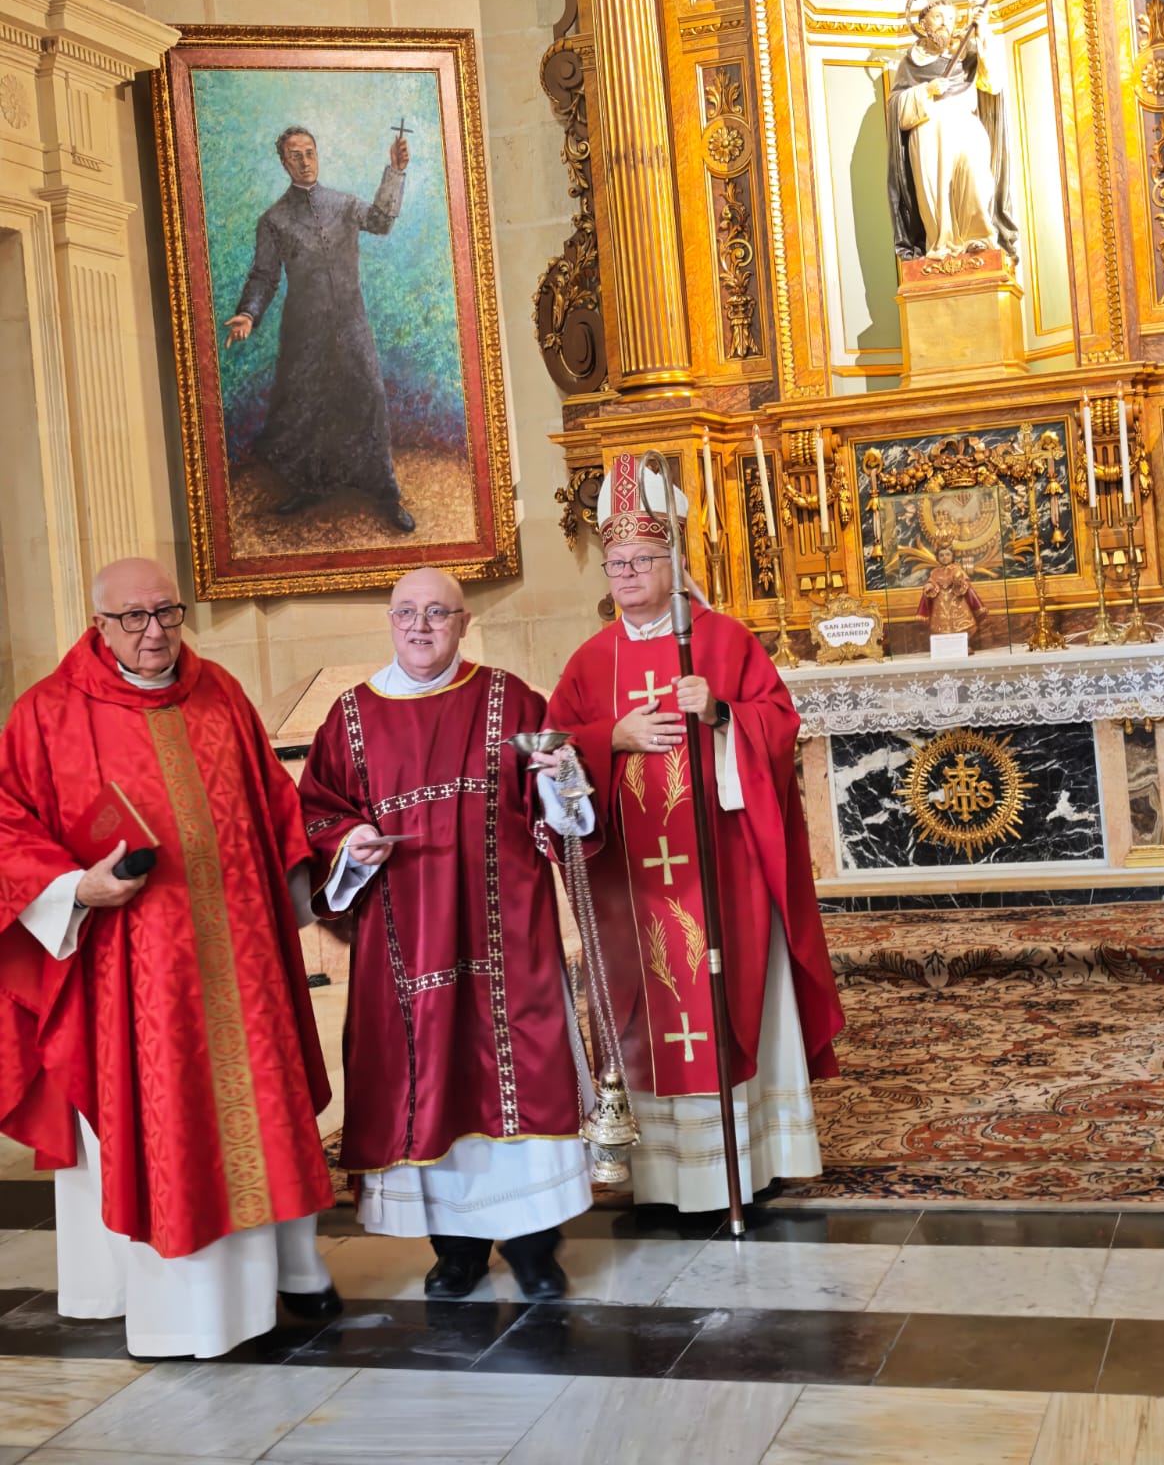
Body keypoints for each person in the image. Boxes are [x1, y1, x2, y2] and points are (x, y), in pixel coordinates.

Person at [0, 559, 337, 1359]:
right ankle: (179, 1316)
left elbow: (274, 804)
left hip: (243, 959)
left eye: (167, 612)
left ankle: (286, 1275)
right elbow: (7, 823)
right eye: (133, 617)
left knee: (262, 1105)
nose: (154, 632)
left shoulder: (219, 692)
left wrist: (321, 872)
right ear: (99, 624)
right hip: (130, 973)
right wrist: (75, 889)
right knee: (163, 1118)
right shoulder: (46, 712)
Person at [547, 453, 845, 1212]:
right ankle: (660, 1173)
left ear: (672, 562)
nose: (626, 574)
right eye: (615, 563)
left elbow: (778, 725)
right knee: (644, 1008)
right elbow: (550, 758)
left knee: (726, 1000)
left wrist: (720, 714)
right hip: (633, 888)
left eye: (641, 560)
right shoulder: (589, 662)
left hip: (721, 875)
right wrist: (609, 739)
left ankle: (747, 1161)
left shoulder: (723, 640)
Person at [299, 567, 592, 1301]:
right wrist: (351, 843)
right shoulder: (350, 716)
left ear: (463, 623)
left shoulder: (508, 699)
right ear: (389, 621)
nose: (420, 626)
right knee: (426, 1082)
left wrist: (560, 774)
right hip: (403, 946)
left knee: (518, 1076)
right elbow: (318, 813)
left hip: (507, 938)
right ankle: (455, 1251)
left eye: (437, 613)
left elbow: (558, 807)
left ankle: (534, 1250)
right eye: (406, 612)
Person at [223, 125, 417, 532]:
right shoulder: (273, 220)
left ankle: (385, 493)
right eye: (295, 155)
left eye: (309, 152)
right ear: (283, 162)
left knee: (368, 397)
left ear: (317, 154)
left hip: (351, 322)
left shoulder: (343, 204)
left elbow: (381, 221)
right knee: (308, 407)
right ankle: (312, 486)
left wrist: (395, 172)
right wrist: (249, 314)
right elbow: (263, 276)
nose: (304, 161)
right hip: (304, 330)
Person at [886, 0, 1017, 262]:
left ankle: (978, 238)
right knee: (936, 192)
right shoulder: (911, 63)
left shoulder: (967, 56)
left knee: (975, 177)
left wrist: (983, 32)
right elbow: (897, 110)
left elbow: (994, 83)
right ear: (924, 24)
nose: (945, 23)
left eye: (950, 17)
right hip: (929, 134)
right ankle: (942, 243)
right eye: (938, 17)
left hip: (965, 127)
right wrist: (926, 90)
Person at [918, 540, 988, 643]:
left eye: (947, 554)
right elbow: (932, 582)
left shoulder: (957, 570)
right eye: (941, 555)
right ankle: (946, 644)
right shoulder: (935, 572)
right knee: (940, 628)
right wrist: (930, 586)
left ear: (952, 556)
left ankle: (962, 644)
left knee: (962, 625)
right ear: (937, 557)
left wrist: (959, 583)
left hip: (957, 604)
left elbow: (966, 584)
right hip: (940, 605)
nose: (944, 557)